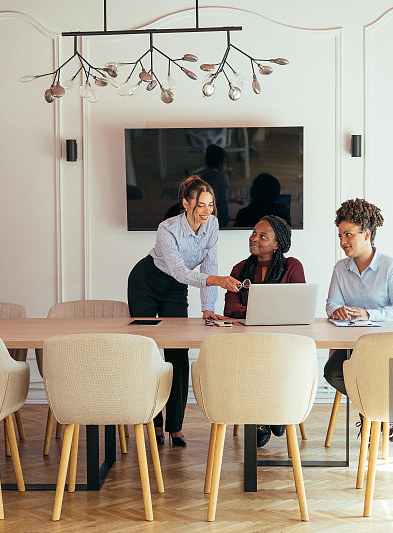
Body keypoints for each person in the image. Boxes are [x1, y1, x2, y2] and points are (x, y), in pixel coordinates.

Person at [127, 176, 240, 447]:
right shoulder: (167, 228)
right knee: (149, 350)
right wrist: (216, 280)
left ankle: (175, 426)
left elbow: (209, 265)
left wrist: (207, 308)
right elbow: (179, 271)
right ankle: (154, 422)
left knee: (177, 353)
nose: (206, 211)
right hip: (147, 282)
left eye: (211, 205)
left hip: (175, 290)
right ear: (186, 204)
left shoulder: (212, 225)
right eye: (201, 205)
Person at [323, 198, 393, 441]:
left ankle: (382, 413)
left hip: (387, 346)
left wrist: (369, 314)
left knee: (366, 374)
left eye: (348, 235)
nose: (343, 242)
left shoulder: (391, 267)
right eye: (340, 235)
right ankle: (375, 410)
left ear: (367, 234)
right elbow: (331, 303)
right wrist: (337, 310)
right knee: (332, 373)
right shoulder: (341, 269)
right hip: (353, 345)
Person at [223, 215, 305, 446]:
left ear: (277, 243)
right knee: (256, 358)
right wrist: (267, 310)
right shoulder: (239, 269)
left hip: (282, 341)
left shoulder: (292, 266)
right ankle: (271, 413)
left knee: (273, 357)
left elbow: (297, 306)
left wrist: (249, 310)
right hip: (248, 340)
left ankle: (270, 413)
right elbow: (230, 308)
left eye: (262, 236)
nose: (254, 239)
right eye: (253, 233)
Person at [197, 144, 230, 227]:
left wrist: (232, 200)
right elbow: (222, 205)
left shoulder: (197, 176)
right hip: (212, 221)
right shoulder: (221, 177)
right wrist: (224, 224)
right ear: (223, 162)